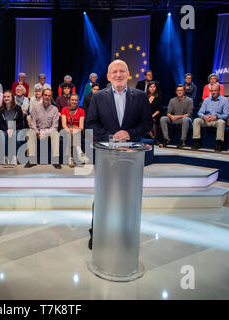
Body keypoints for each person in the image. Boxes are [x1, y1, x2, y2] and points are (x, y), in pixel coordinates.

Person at [86, 59, 153, 250]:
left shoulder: (140, 96)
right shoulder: (98, 97)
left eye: (121, 71)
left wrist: (130, 134)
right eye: (114, 72)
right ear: (108, 76)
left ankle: (125, 233)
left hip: (131, 155)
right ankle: (96, 231)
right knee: (102, 195)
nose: (118, 75)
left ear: (128, 74)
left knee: (127, 195)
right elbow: (90, 124)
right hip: (106, 154)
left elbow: (147, 123)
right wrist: (110, 137)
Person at [25, 88, 61, 169]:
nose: (47, 97)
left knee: (56, 134)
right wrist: (38, 132)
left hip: (49, 130)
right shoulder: (35, 107)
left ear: (51, 97)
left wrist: (46, 133)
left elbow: (55, 126)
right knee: (30, 133)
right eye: (45, 95)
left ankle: (55, 160)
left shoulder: (55, 109)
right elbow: (32, 123)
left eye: (49, 95)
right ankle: (32, 160)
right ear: (42, 96)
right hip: (38, 130)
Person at [192, 84, 229, 152]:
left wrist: (216, 117)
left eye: (215, 91)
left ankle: (219, 143)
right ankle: (196, 141)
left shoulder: (224, 100)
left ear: (219, 91)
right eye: (211, 91)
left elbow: (226, 114)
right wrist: (204, 116)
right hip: (206, 120)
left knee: (221, 122)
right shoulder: (206, 100)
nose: (213, 92)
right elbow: (200, 112)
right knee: (196, 120)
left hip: (217, 120)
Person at [0, 90, 25, 166]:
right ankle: (6, 157)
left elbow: (21, 124)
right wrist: (7, 130)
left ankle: (15, 157)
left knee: (16, 135)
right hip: (4, 129)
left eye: (8, 96)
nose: (6, 98)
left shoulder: (18, 108)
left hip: (16, 129)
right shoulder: (0, 110)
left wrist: (12, 129)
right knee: (4, 136)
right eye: (4, 97)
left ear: (12, 98)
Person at [61, 93, 89, 167]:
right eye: (72, 100)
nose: (74, 102)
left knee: (74, 133)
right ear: (69, 101)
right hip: (66, 130)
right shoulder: (64, 109)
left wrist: (75, 130)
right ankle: (79, 152)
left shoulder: (81, 111)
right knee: (69, 134)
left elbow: (81, 127)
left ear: (78, 101)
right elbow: (64, 125)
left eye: (76, 100)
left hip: (78, 131)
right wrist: (69, 130)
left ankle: (70, 159)